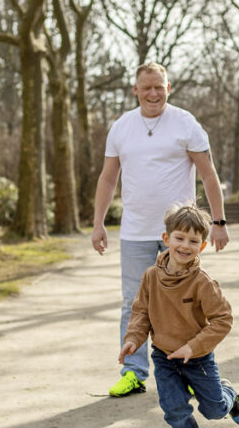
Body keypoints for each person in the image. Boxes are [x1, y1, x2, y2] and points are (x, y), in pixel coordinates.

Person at [93, 62, 230, 398]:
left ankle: (192, 370)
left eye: (160, 87)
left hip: (181, 234)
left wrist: (218, 222)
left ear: (168, 89)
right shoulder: (122, 127)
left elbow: (208, 174)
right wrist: (98, 223)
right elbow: (108, 177)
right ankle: (133, 372)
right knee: (133, 303)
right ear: (136, 90)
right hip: (135, 231)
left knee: (188, 302)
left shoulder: (185, 123)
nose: (153, 93)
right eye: (147, 87)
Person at [120, 204, 239, 428]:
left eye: (193, 241)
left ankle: (230, 395)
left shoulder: (203, 282)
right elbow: (141, 311)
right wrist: (133, 339)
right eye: (179, 238)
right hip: (165, 357)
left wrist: (193, 346)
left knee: (214, 410)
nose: (185, 245)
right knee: (174, 409)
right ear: (166, 240)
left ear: (202, 246)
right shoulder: (151, 276)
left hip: (198, 358)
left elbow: (223, 319)